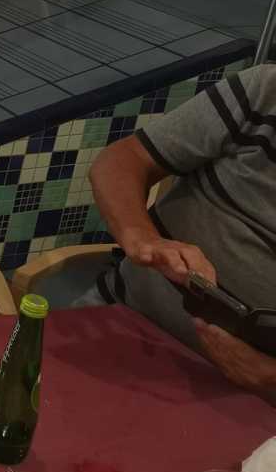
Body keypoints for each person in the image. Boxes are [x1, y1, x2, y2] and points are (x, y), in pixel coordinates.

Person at [90, 63, 276, 402]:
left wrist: (268, 377)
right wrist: (142, 237)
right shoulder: (266, 91)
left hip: (249, 404)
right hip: (121, 321)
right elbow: (123, 160)